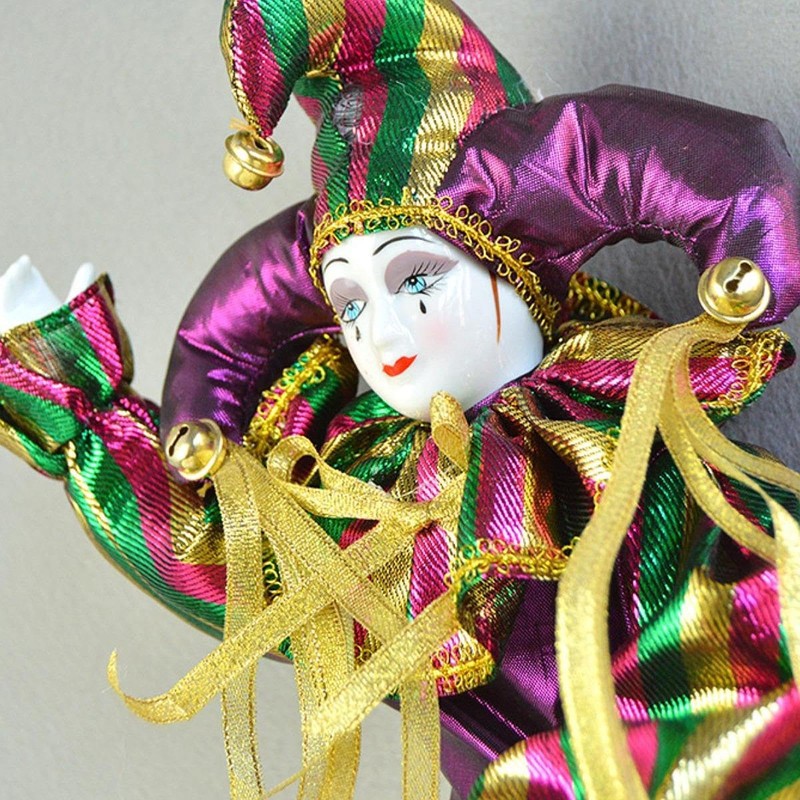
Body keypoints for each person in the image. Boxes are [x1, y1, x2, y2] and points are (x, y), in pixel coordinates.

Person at [2, 1, 800, 797]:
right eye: (349, 303)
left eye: (417, 280)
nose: (383, 333)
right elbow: (235, 565)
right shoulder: (378, 509)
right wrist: (81, 412)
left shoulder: (621, 441)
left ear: (511, 265)